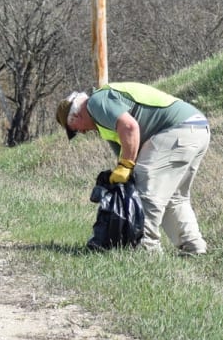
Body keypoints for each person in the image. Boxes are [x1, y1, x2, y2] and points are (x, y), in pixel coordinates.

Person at [57, 82, 211, 255]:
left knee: (146, 189)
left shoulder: (96, 103)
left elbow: (130, 127)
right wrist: (124, 168)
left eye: (74, 130)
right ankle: (194, 248)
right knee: (174, 197)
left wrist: (126, 165)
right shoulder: (105, 120)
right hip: (197, 129)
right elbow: (127, 151)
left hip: (177, 130)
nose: (81, 133)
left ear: (75, 117)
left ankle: (146, 249)